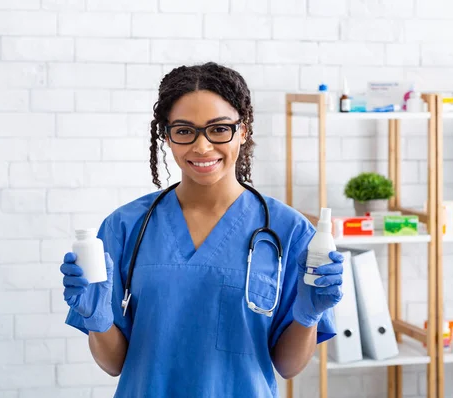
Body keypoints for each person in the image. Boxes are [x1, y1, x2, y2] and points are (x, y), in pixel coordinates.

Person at [60, 62, 344, 398]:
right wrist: (99, 322)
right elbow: (114, 364)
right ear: (167, 136)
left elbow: (288, 366)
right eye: (184, 131)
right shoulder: (125, 227)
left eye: (219, 129)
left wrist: (307, 316)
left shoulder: (289, 231)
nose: (202, 147)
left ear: (244, 129)